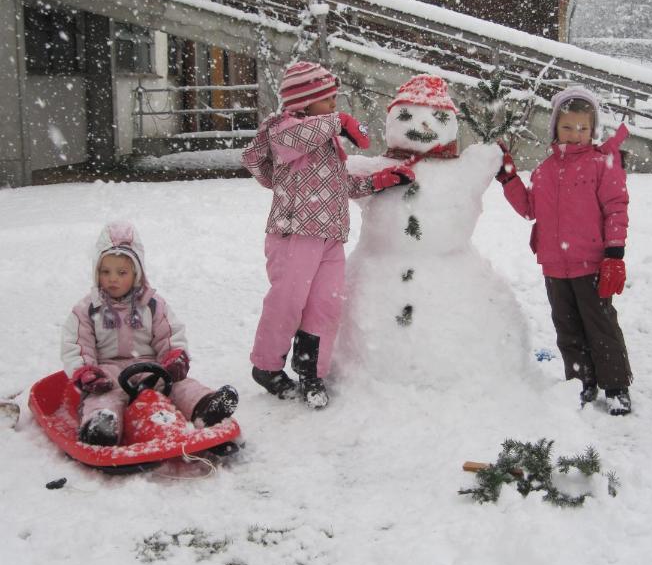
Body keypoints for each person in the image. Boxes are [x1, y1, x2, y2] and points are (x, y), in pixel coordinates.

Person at [242, 60, 415, 408]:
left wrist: (377, 182)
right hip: (294, 235)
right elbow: (291, 139)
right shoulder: (283, 129)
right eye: (328, 99)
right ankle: (266, 365)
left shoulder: (326, 143)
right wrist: (339, 122)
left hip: (330, 236)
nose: (335, 105)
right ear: (304, 102)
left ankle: (311, 372)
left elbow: (339, 184)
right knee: (288, 303)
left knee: (326, 305)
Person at [495, 85, 633, 415]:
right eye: (567, 127)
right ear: (555, 126)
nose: (575, 134)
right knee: (567, 327)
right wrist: (508, 179)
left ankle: (615, 387)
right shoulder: (544, 171)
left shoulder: (602, 164)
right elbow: (530, 208)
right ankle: (580, 382)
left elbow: (616, 207)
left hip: (592, 262)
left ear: (592, 129)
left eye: (583, 128)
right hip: (554, 265)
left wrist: (615, 253)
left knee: (600, 326)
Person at [61, 221, 238, 445]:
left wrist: (174, 357)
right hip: (107, 372)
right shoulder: (87, 309)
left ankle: (206, 407)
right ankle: (101, 426)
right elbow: (77, 344)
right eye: (105, 272)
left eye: (121, 272)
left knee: (180, 386)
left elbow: (169, 334)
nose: (112, 278)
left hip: (150, 366)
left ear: (136, 273)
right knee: (104, 398)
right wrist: (86, 371)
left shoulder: (152, 305)